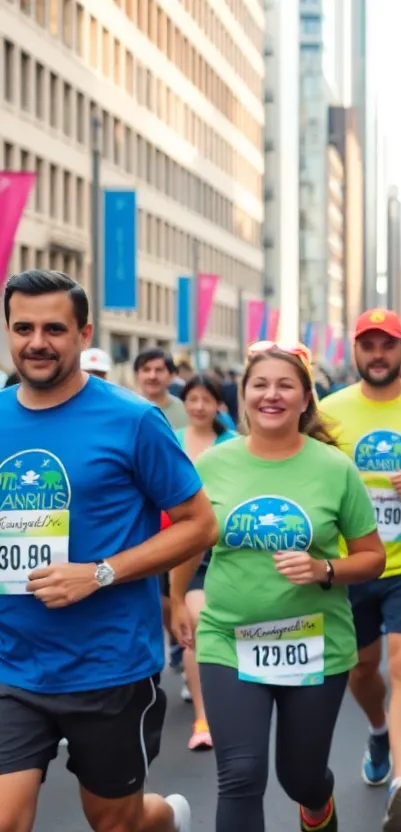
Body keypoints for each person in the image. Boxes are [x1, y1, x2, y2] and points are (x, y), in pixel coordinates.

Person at [0, 269, 219, 832]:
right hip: (12, 661)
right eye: (22, 327)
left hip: (108, 663)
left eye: (54, 327)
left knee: (116, 820)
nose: (37, 342)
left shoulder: (133, 420)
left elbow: (198, 526)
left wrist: (98, 573)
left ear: (83, 334)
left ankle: (168, 819)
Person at [169, 341, 386, 832]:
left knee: (301, 776)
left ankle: (318, 805)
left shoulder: (335, 469)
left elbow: (373, 558)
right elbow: (188, 539)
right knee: (240, 776)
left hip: (314, 642)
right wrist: (177, 598)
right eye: (260, 385)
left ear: (306, 398)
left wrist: (323, 570)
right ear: (242, 396)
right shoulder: (211, 466)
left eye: (285, 385)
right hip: (228, 638)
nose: (272, 395)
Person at [317, 309, 401, 830]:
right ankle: (378, 729)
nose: (378, 354)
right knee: (362, 670)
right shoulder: (327, 411)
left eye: (388, 344)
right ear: (356, 350)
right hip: (351, 565)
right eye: (369, 344)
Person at [173, 375, 240, 752]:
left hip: (229, 550)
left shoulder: (234, 445)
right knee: (194, 626)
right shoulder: (171, 439)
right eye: (192, 399)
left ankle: (236, 703)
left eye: (206, 399)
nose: (198, 406)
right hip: (187, 552)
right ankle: (202, 718)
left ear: (220, 404)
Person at [134, 349, 190, 430]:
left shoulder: (186, 412)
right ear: (136, 375)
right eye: (146, 370)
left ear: (172, 375)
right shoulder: (125, 409)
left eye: (159, 370)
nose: (152, 376)